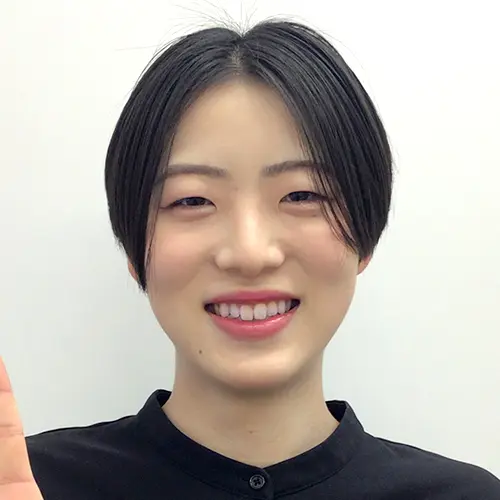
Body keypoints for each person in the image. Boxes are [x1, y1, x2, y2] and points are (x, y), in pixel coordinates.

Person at [1, 19, 499, 500]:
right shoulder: (32, 484)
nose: (250, 253)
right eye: (192, 200)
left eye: (302, 195)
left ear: (364, 235)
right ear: (135, 249)